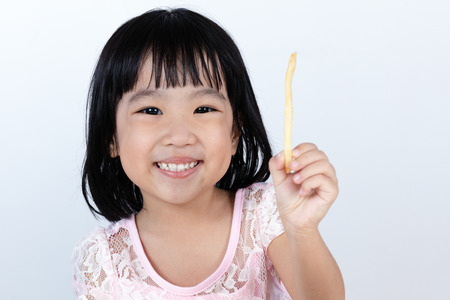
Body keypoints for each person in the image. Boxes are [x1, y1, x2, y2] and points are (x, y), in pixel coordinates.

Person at [72, 7, 344, 299]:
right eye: (151, 110)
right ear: (110, 137)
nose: (179, 136)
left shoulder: (265, 215)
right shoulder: (103, 260)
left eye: (203, 109)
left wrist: (302, 230)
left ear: (234, 133)